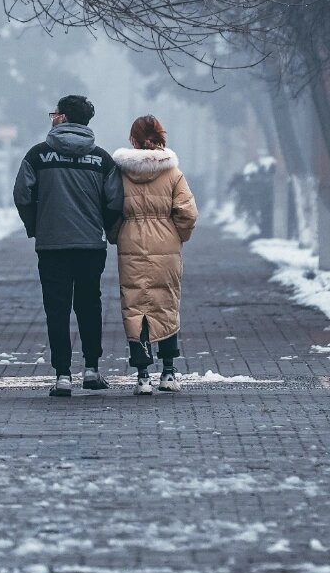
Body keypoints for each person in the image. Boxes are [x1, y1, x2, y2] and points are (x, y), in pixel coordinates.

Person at [13, 93, 123, 397]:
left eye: (55, 114)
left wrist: (36, 226)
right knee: (90, 306)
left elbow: (22, 194)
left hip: (51, 247)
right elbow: (115, 200)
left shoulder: (37, 155)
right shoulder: (101, 159)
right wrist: (102, 225)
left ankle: (62, 375)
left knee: (56, 309)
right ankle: (91, 370)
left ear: (62, 118)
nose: (53, 118)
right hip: (90, 246)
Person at [111, 114, 198, 393]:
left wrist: (116, 234)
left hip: (131, 242)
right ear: (161, 137)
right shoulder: (173, 173)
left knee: (135, 306)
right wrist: (177, 235)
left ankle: (142, 376)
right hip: (166, 243)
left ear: (133, 140)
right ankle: (169, 373)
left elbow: (110, 208)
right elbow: (188, 213)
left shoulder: (120, 172)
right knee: (166, 303)